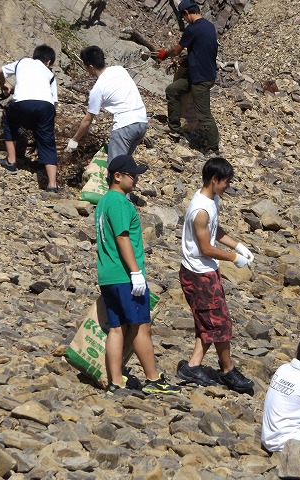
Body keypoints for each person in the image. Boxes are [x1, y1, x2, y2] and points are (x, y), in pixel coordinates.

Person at [94, 154, 180, 395]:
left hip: (108, 274)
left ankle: (115, 381)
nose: (137, 180)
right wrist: (136, 272)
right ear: (117, 176)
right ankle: (153, 378)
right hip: (124, 275)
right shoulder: (120, 203)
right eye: (133, 175)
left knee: (116, 327)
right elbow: (122, 238)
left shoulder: (103, 202)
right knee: (141, 326)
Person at [177, 157, 255, 393]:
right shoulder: (200, 210)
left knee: (208, 321)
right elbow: (206, 248)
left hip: (206, 270)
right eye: (225, 182)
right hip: (198, 272)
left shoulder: (212, 199)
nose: (227, 186)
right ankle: (228, 370)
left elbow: (215, 231)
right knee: (220, 322)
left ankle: (193, 365)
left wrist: (238, 245)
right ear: (214, 179)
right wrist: (233, 258)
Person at [65, 46, 148, 165]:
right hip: (142, 123)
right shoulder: (119, 70)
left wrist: (74, 140)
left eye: (86, 67)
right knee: (124, 165)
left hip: (124, 126)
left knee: (115, 167)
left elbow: (87, 120)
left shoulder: (98, 89)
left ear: (91, 67)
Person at [156, 0, 220, 153]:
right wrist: (189, 58)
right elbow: (203, 49)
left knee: (204, 114)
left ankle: (213, 147)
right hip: (203, 73)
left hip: (201, 79)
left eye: (183, 17)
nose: (184, 20)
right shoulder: (209, 26)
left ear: (186, 13)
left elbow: (176, 50)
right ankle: (174, 128)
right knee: (172, 90)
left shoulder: (192, 29)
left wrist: (164, 54)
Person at [0, 44, 59, 192]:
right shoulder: (50, 75)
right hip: (46, 106)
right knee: (47, 140)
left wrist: (4, 84)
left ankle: (11, 162)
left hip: (22, 103)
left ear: (35, 55)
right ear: (48, 62)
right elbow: (54, 102)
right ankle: (52, 185)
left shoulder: (22, 62)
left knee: (10, 123)